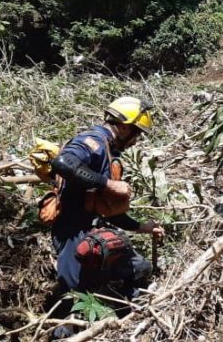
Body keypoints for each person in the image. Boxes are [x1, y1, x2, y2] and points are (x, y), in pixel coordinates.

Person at [47, 97, 164, 337]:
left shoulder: (109, 151)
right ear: (124, 126)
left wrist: (142, 226)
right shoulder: (93, 143)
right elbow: (62, 162)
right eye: (136, 132)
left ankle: (129, 318)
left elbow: (102, 206)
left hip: (94, 231)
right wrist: (107, 183)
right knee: (72, 297)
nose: (137, 140)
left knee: (138, 268)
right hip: (72, 232)